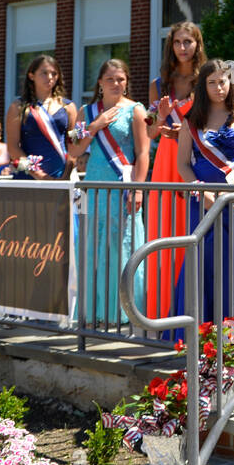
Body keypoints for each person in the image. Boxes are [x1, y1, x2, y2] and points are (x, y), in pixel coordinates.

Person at [68, 59, 150, 326]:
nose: (117, 84)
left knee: (122, 246)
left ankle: (124, 311)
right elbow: (75, 150)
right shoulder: (86, 111)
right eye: (111, 79)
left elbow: (143, 152)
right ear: (100, 83)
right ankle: (94, 311)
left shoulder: (136, 110)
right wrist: (96, 124)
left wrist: (137, 189)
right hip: (94, 186)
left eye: (121, 79)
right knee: (93, 247)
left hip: (123, 188)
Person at [176, 59, 234, 328]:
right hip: (202, 202)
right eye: (212, 82)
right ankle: (199, 331)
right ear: (203, 86)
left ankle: (232, 332)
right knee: (204, 262)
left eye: (223, 81)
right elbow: (182, 164)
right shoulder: (191, 121)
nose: (219, 87)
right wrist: (202, 193)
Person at [145, 22, 207, 322]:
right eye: (178, 42)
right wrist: (162, 119)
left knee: (190, 228)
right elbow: (150, 131)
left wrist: (188, 128)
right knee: (163, 231)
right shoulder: (159, 84)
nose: (183, 47)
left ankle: (189, 309)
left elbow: (214, 121)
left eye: (189, 42)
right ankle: (161, 309)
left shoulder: (205, 80)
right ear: (171, 46)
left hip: (193, 159)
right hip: (165, 160)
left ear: (198, 45)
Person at [6, 55, 76, 180]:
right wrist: (40, 175)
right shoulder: (18, 107)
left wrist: (66, 174)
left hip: (62, 176)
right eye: (44, 73)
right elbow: (13, 148)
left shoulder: (69, 107)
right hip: (29, 177)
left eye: (54, 74)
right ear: (31, 76)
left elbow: (74, 145)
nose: (50, 78)